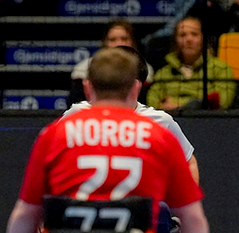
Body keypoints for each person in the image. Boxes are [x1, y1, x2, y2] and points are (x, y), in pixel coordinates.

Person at [0, 48, 209, 233]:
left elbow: (26, 212)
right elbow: (193, 218)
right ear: (136, 88)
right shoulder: (159, 133)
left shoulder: (57, 132)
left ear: (88, 87)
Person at [65, 45, 199, 184]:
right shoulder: (76, 114)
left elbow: (189, 162)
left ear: (135, 85)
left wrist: (188, 201)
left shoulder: (161, 121)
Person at [146, 16, 236, 110]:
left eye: (194, 34)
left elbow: (223, 102)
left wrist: (178, 104)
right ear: (175, 40)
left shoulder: (221, 69)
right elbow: (152, 104)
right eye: (182, 35)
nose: (189, 39)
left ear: (203, 38)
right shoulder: (164, 73)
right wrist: (200, 102)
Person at [67, 19, 155, 106]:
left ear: (132, 42)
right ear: (105, 43)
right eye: (113, 40)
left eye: (124, 39)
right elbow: (74, 103)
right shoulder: (84, 69)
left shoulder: (144, 69)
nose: (119, 43)